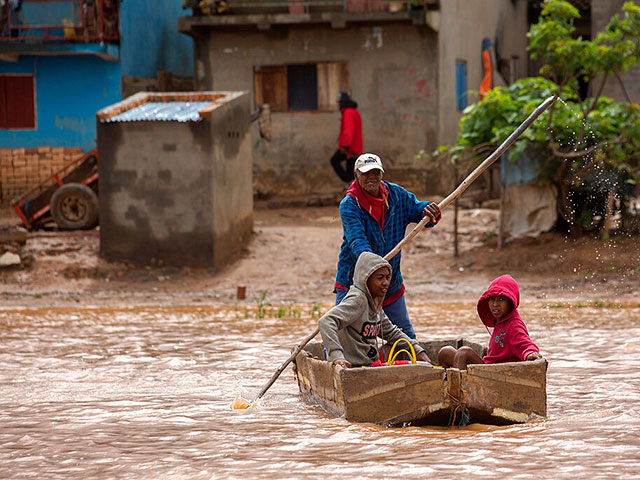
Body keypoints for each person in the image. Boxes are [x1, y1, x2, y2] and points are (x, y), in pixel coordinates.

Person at [334, 152, 441, 339]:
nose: (371, 178)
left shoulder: (397, 196)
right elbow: (357, 241)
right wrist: (372, 266)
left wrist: (429, 211)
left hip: (388, 283)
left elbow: (420, 212)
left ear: (381, 174)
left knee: (406, 338)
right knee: (342, 336)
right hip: (354, 283)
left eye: (375, 173)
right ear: (356, 175)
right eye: (366, 173)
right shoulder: (350, 205)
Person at [319, 251, 431, 368]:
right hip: (354, 366)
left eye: (388, 278)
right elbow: (326, 322)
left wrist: (417, 349)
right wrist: (337, 356)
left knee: (401, 346)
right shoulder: (358, 299)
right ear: (366, 280)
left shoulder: (374, 301)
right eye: (380, 278)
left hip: (369, 361)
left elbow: (391, 332)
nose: (385, 283)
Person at [437, 274, 543, 369]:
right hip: (486, 366)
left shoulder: (514, 325)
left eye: (501, 300)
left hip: (495, 373)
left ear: (511, 302)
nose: (495, 304)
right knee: (445, 352)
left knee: (464, 352)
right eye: (492, 299)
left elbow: (525, 344)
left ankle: (460, 386)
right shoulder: (499, 320)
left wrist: (530, 353)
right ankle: (450, 381)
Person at [330, 91, 362, 183]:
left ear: (343, 102)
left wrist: (345, 146)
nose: (339, 105)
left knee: (334, 161)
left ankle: (350, 185)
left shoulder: (348, 113)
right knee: (351, 171)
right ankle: (351, 186)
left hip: (350, 148)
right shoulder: (354, 112)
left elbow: (349, 130)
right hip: (355, 148)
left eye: (339, 102)